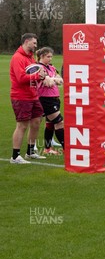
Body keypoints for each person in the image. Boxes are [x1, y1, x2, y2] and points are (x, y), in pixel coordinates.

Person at [9, 33, 48, 163]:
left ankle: (30, 152)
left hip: (33, 96)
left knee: (37, 122)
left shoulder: (31, 58)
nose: (36, 46)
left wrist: (42, 75)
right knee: (22, 125)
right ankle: (15, 156)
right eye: (34, 43)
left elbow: (35, 74)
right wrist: (38, 76)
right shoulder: (17, 57)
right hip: (21, 97)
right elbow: (21, 79)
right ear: (26, 42)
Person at [36, 47, 64, 155]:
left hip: (54, 98)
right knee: (59, 122)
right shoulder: (39, 67)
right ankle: (66, 147)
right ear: (42, 56)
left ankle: (47, 149)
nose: (50, 58)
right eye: (48, 56)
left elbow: (60, 80)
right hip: (46, 99)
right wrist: (54, 80)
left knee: (50, 123)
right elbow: (48, 83)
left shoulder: (51, 67)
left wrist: (53, 79)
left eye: (51, 56)